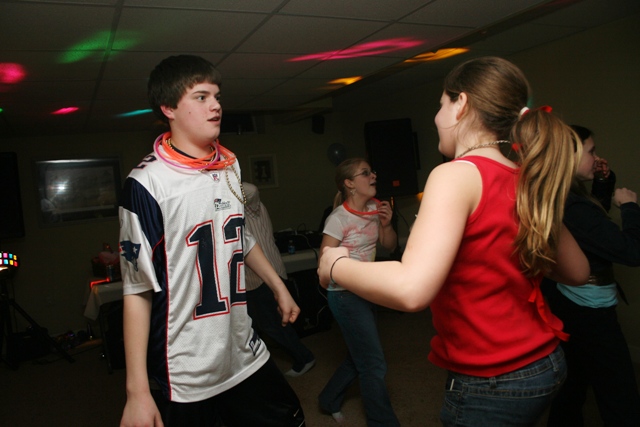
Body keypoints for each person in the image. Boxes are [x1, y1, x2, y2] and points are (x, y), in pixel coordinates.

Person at [317, 56, 590, 426]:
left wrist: (335, 264)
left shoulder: (455, 175)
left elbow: (411, 290)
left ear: (461, 104)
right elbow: (578, 271)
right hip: (545, 363)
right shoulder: (523, 177)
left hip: (493, 378)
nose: (436, 117)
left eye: (441, 104)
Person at [118, 55, 305, 427]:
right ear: (168, 107)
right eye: (201, 97)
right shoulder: (146, 185)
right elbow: (137, 290)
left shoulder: (229, 165)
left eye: (217, 96)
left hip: (242, 347)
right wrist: (136, 391)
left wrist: (278, 286)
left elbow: (239, 237)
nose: (216, 105)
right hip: (187, 368)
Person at [544, 125, 640, 427]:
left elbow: (593, 229)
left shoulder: (565, 195)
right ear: (569, 157)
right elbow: (631, 251)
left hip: (567, 303)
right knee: (620, 394)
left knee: (572, 383)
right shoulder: (572, 205)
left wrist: (602, 181)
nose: (596, 157)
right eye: (591, 151)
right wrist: (631, 207)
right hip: (589, 312)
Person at [317, 158, 400, 426]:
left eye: (372, 171)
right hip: (345, 295)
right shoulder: (338, 219)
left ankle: (328, 399)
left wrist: (386, 225)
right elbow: (324, 264)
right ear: (349, 184)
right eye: (365, 173)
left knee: (359, 355)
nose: (373, 175)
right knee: (373, 363)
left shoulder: (375, 209)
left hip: (368, 291)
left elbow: (389, 246)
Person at [243, 181, 316, 377]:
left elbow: (252, 190)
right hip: (249, 279)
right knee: (255, 324)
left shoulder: (249, 205)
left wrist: (224, 185)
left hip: (265, 276)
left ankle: (304, 357)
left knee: (272, 324)